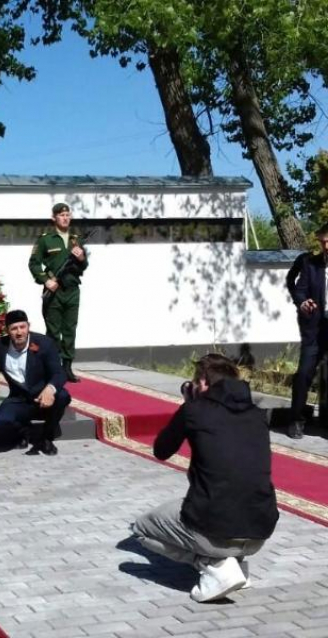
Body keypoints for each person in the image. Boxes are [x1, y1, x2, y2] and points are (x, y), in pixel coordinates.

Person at [131, 354, 278, 603]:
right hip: (261, 529)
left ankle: (216, 566)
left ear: (202, 383)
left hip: (216, 526)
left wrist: (187, 406)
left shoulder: (194, 410)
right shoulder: (258, 415)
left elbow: (162, 450)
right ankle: (238, 567)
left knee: (142, 529)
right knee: (230, 492)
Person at [0, 310, 71, 456]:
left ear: (28, 326)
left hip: (43, 397)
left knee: (63, 396)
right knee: (0, 422)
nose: (19, 332)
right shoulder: (0, 346)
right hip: (19, 399)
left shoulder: (44, 344)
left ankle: (46, 438)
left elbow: (59, 373)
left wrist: (50, 389)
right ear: (7, 330)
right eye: (14, 328)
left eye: (22, 327)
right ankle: (23, 432)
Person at [28, 202, 88, 382]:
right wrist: (46, 280)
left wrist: (81, 258)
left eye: (68, 215)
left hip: (72, 290)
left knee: (70, 329)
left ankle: (67, 367)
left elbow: (83, 267)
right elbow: (34, 263)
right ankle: (53, 368)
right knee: (53, 332)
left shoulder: (76, 239)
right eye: (61, 215)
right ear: (54, 218)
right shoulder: (45, 239)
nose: (65, 218)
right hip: (54, 291)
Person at [289, 224, 328, 439]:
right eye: (322, 242)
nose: (326, 246)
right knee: (304, 373)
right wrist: (303, 303)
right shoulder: (311, 266)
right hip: (315, 330)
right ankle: (296, 420)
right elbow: (300, 290)